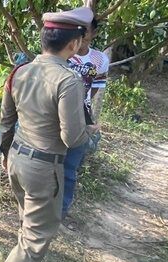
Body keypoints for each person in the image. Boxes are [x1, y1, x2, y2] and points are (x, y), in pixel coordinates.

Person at [0, 7, 93, 262]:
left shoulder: (20, 72)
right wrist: (89, 132)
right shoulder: (68, 81)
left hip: (16, 160)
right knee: (35, 242)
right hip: (44, 168)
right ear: (74, 44)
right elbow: (71, 138)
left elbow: (6, 122)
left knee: (27, 222)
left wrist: (4, 155)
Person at [62, 18, 110, 226]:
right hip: (58, 114)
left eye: (86, 30)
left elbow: (96, 87)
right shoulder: (63, 53)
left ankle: (61, 211)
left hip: (82, 117)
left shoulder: (99, 59)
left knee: (70, 167)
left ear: (94, 33)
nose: (81, 34)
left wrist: (83, 108)